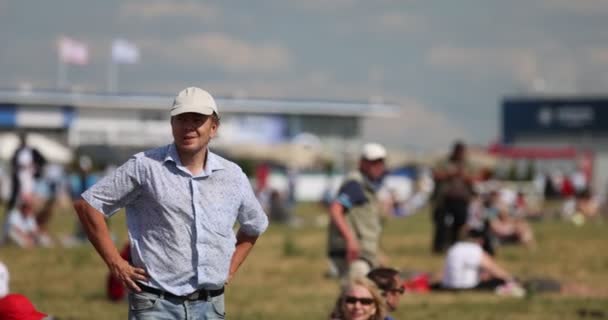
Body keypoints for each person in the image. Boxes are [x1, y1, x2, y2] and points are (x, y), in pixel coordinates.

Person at [73, 87, 269, 319]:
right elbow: (89, 205)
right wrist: (116, 263)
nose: (188, 127)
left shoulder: (232, 175)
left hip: (210, 305)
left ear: (213, 127)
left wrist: (229, 269)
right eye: (181, 119)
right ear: (171, 124)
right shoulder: (145, 166)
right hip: (156, 304)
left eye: (197, 120)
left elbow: (254, 225)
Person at [328, 143, 387, 280]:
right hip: (355, 254)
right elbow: (336, 210)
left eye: (380, 162)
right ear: (362, 163)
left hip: (364, 252)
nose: (377, 166)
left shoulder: (366, 185)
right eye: (373, 162)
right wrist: (351, 240)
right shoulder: (355, 184)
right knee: (357, 295)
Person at [438, 229, 522, 294]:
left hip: (447, 286)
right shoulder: (474, 249)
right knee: (500, 282)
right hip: (465, 288)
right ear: (480, 240)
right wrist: (511, 279)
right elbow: (493, 268)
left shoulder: (454, 248)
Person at [431, 141, 475, 253]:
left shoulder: (468, 164)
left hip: (461, 200)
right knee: (441, 223)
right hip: (445, 199)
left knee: (459, 224)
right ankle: (439, 247)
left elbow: (474, 178)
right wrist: (451, 174)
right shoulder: (444, 162)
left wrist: (464, 176)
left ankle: (455, 247)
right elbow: (435, 174)